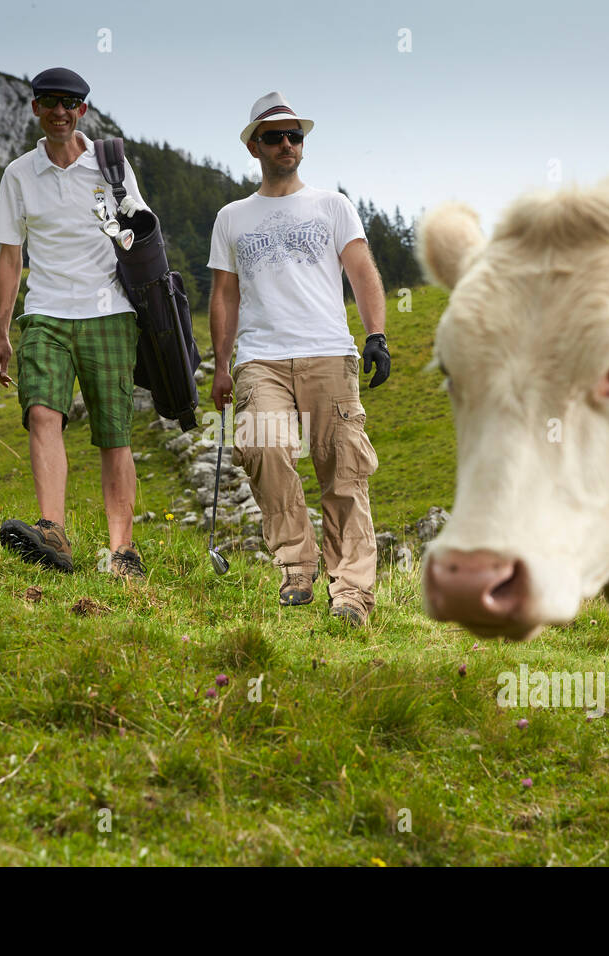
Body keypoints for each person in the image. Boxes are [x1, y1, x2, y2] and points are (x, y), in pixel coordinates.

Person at [207, 92, 390, 626]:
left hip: (329, 352)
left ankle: (352, 591)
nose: (286, 144)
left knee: (344, 471)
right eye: (274, 137)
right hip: (259, 358)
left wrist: (375, 334)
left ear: (303, 147)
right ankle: (296, 564)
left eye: (295, 136)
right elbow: (224, 295)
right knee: (262, 446)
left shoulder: (333, 206)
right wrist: (221, 365)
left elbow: (362, 271)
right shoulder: (231, 217)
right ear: (255, 147)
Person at [0, 67, 149, 579]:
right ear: (35, 108)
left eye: (71, 103)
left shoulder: (112, 165)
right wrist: (2, 334)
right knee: (42, 412)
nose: (60, 111)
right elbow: (10, 256)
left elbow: (142, 236)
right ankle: (53, 531)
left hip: (109, 312)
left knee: (113, 431)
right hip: (46, 312)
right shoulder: (18, 174)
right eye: (50, 102)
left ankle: (122, 551)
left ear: (83, 110)